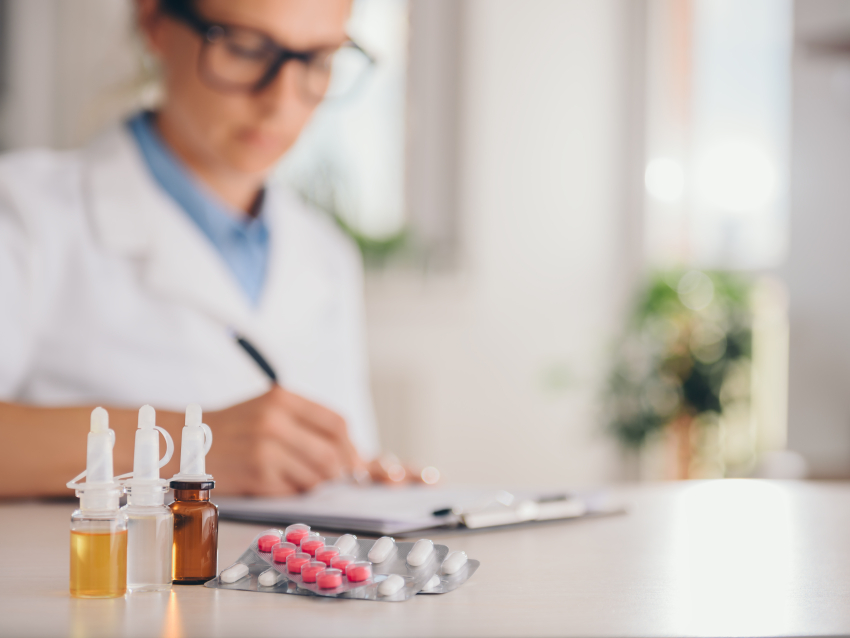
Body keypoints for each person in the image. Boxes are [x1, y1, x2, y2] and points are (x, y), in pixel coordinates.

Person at [0, 0, 419, 498]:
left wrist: (358, 476)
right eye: (245, 49)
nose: (282, 101)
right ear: (154, 23)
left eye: (317, 61)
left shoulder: (327, 254)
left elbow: (338, 454)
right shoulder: (24, 211)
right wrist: (192, 447)